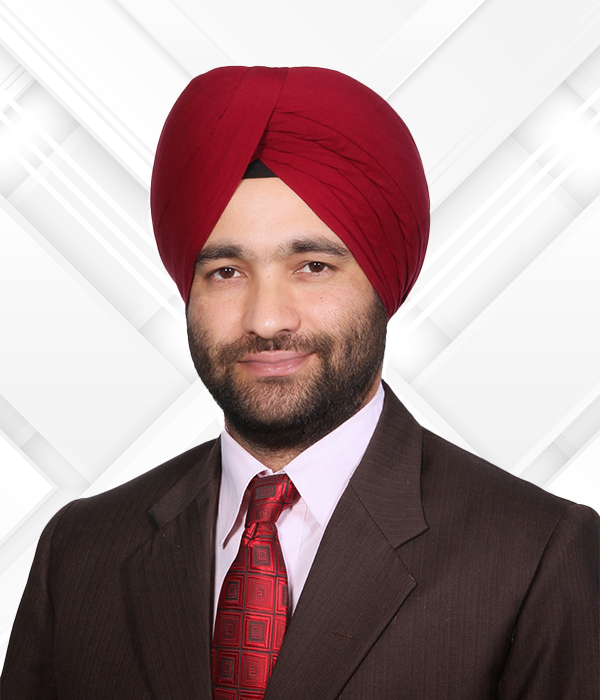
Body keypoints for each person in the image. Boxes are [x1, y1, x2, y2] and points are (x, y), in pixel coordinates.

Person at [1, 66, 598, 700]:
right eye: (226, 271)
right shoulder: (80, 549)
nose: (266, 319)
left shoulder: (537, 556)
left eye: (312, 266)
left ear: (383, 284)